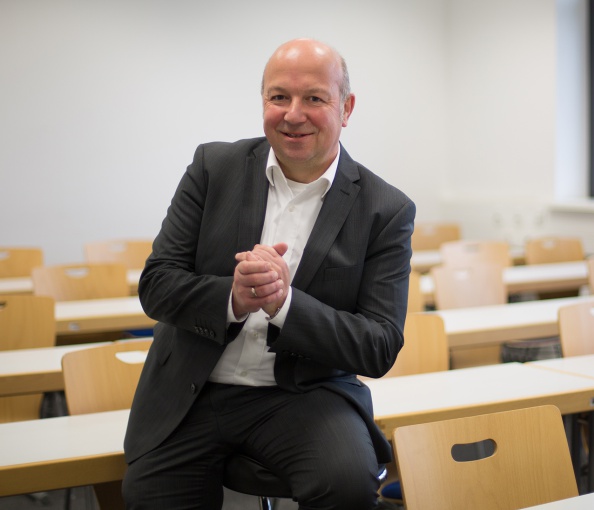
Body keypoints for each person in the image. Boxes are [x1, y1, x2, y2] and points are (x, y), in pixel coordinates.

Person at [122, 38, 415, 510]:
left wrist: (286, 304)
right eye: (279, 97)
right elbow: (156, 285)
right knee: (149, 497)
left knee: (348, 486)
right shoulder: (212, 168)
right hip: (194, 389)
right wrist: (233, 299)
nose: (293, 114)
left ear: (346, 108)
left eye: (314, 98)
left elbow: (378, 346)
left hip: (302, 394)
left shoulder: (385, 209)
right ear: (264, 102)